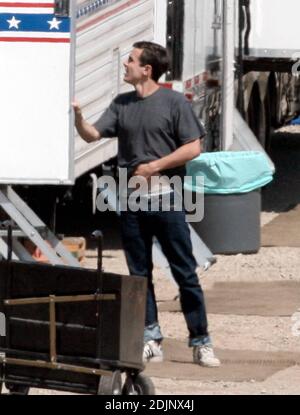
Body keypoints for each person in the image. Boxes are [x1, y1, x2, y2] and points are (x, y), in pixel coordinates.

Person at [73, 41, 220, 368]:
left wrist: (155, 166)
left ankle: (201, 341)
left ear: (146, 69)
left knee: (185, 273)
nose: (124, 64)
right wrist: (79, 117)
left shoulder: (173, 103)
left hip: (167, 200)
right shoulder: (122, 104)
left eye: (130, 60)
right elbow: (92, 135)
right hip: (131, 204)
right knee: (139, 276)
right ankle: (151, 338)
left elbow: (193, 148)